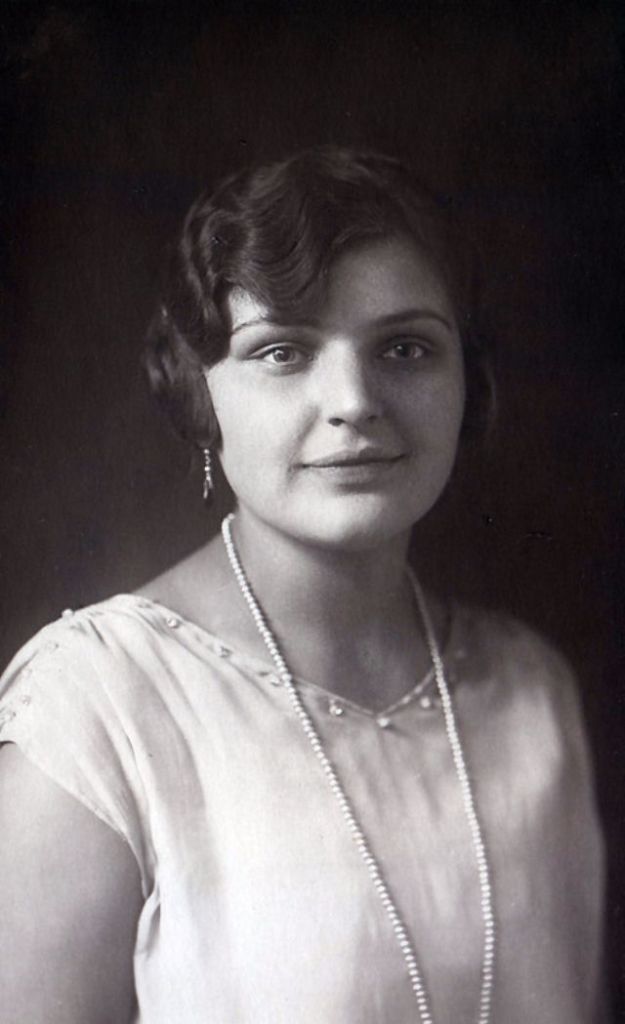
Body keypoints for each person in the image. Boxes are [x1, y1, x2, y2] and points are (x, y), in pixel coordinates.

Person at [0, 146, 605, 1024]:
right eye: (282, 351)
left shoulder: (531, 693)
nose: (354, 400)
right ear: (199, 393)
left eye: (405, 348)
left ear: (465, 382)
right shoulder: (98, 712)